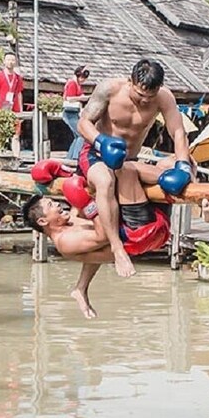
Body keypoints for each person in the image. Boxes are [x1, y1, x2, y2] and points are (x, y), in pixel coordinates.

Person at [77, 58, 193, 278]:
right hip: (96, 154)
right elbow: (83, 123)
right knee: (105, 181)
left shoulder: (164, 98)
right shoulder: (109, 88)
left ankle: (206, 206)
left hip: (129, 161)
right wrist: (101, 141)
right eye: (140, 95)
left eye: (149, 97)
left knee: (180, 169)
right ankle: (117, 249)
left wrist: (183, 165)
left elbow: (177, 132)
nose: (143, 101)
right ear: (130, 82)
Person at [24, 159, 170, 318]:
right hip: (137, 232)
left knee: (166, 164)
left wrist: (82, 287)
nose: (58, 205)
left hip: (144, 232)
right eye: (51, 206)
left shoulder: (70, 224)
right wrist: (87, 203)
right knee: (126, 169)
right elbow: (103, 235)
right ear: (43, 221)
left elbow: (96, 253)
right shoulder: (65, 242)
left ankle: (182, 168)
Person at [0, 52, 24, 157]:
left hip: (15, 109)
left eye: (13, 60)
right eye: (8, 59)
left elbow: (19, 94)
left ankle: (16, 156)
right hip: (1, 108)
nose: (10, 62)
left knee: (16, 135)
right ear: (4, 61)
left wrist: (21, 110)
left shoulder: (18, 78)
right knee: (0, 134)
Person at [62, 66, 90, 160]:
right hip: (69, 112)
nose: (83, 80)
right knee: (81, 134)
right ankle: (75, 157)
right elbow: (69, 98)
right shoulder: (72, 83)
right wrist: (82, 98)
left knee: (77, 136)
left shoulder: (77, 84)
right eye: (82, 78)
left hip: (74, 112)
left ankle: (69, 158)